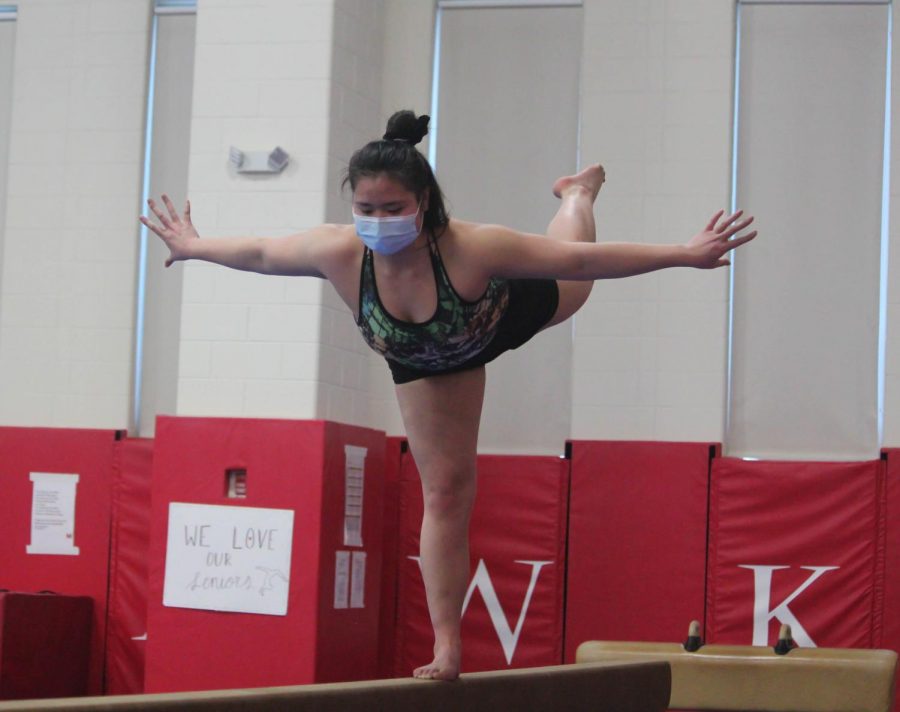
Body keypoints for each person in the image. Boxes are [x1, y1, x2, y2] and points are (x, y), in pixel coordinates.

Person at [140, 110, 756, 681]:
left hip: (501, 314)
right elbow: (260, 252)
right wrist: (194, 246)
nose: (378, 220)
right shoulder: (338, 250)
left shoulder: (473, 247)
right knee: (447, 491)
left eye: (393, 207)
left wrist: (685, 255)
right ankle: (447, 645)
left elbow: (582, 258)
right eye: (366, 207)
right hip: (429, 365)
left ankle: (575, 193)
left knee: (575, 280)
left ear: (424, 201)